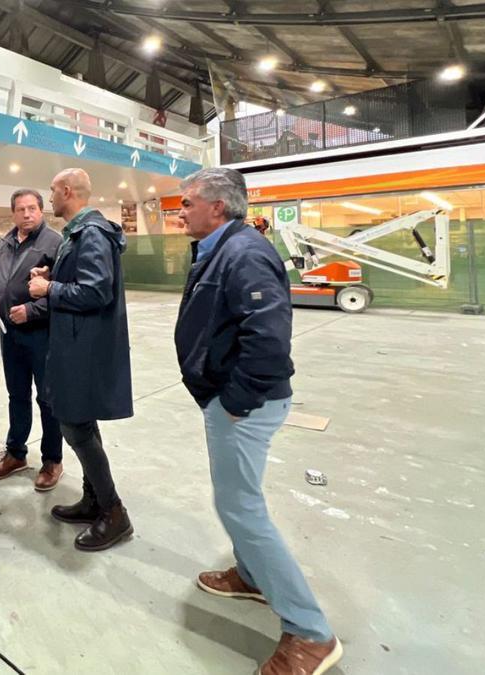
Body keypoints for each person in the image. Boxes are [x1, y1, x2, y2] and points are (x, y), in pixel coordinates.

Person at [175, 167, 342, 674]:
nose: (180, 210)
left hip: (243, 404)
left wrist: (234, 401)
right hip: (228, 398)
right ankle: (251, 577)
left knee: (241, 508)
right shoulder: (221, 248)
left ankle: (310, 634)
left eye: (187, 202)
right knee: (237, 503)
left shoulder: (244, 253)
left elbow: (268, 339)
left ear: (217, 207)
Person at [27, 168, 134, 551]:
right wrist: (54, 271)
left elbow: (95, 290)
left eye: (52, 191)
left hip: (83, 348)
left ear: (67, 191)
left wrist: (48, 287)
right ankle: (93, 501)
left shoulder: (90, 233)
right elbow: (84, 277)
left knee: (75, 425)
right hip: (77, 344)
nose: (50, 198)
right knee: (82, 422)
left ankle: (114, 513)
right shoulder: (81, 232)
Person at [0, 188, 65, 491]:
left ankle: (52, 460)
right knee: (16, 395)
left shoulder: (55, 243)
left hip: (41, 334)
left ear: (41, 211)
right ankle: (16, 454)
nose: (27, 214)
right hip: (10, 334)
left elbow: (63, 289)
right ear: (13, 212)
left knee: (47, 399)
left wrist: (32, 310)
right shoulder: (4, 243)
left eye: (32, 208)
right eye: (21, 209)